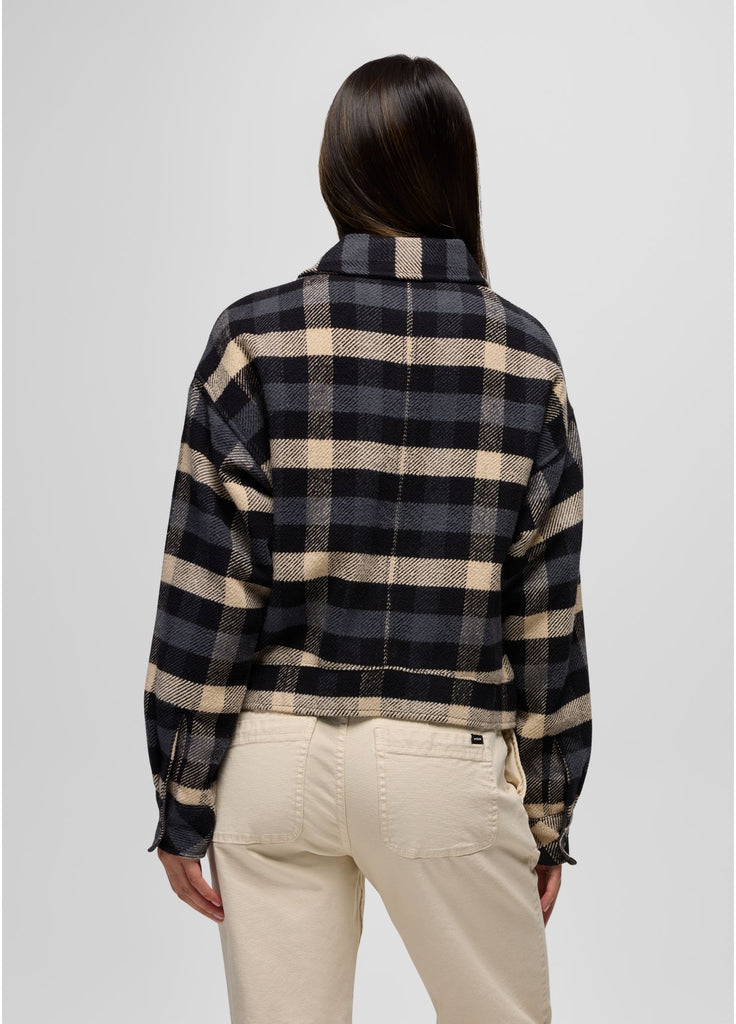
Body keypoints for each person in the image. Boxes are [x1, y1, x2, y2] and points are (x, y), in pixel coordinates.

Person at [143, 53, 592, 1024]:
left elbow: (207, 592)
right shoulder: (524, 358)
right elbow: (546, 617)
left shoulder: (252, 341)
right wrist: (549, 813)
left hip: (274, 760)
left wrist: (181, 794)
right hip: (445, 757)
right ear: (458, 170)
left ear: (335, 170)